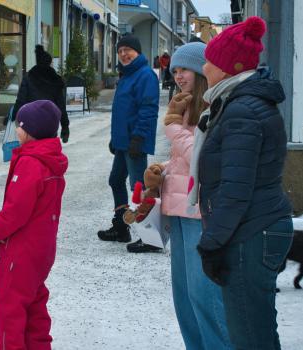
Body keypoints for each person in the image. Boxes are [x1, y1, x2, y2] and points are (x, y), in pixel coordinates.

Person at [190, 17, 293, 349]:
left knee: (251, 336)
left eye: (209, 60)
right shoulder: (239, 104)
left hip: (251, 233)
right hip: (254, 228)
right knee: (255, 331)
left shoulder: (242, 112)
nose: (204, 67)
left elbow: (235, 189)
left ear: (225, 68)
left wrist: (212, 244)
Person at [139, 42, 233, 348]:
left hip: (200, 214)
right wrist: (162, 169)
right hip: (178, 210)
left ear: (202, 71)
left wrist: (173, 129)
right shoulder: (187, 107)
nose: (179, 76)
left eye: (185, 70)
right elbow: (184, 161)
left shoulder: (215, 107)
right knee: (183, 296)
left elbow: (202, 161)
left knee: (203, 295)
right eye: (175, 70)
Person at [0, 100, 68, 350]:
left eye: (18, 125)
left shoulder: (31, 162)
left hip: (21, 252)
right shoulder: (49, 160)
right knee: (34, 307)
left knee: (8, 310)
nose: (16, 129)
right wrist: (1, 223)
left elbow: (17, 211)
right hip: (40, 249)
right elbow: (34, 209)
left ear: (28, 129)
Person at [97, 33, 160, 254]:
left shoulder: (145, 75)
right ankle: (121, 227)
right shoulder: (127, 75)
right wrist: (116, 140)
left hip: (135, 141)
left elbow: (148, 109)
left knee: (139, 188)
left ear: (138, 52)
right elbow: (122, 112)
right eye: (120, 50)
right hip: (124, 142)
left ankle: (151, 237)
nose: (124, 53)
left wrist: (139, 137)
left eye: (128, 50)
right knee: (116, 180)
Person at [9, 45, 70, 143]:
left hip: (31, 120)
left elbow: (21, 100)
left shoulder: (29, 77)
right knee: (48, 149)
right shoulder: (55, 79)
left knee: (32, 149)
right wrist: (65, 127)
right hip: (50, 121)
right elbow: (61, 105)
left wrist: (13, 117)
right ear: (49, 62)